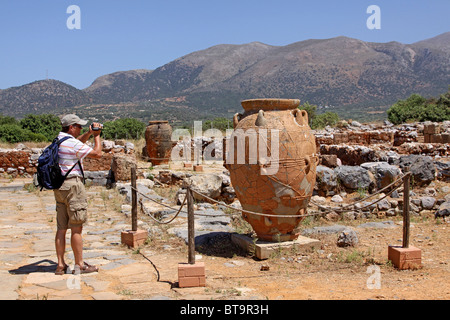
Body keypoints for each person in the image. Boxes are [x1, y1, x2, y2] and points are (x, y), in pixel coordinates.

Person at [53, 114, 103, 275]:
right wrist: (96, 137)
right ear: (71, 127)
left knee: (61, 228)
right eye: (79, 127)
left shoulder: (59, 140)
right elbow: (97, 154)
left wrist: (87, 134)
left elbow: (78, 143)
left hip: (59, 186)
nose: (81, 128)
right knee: (76, 228)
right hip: (73, 186)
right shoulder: (71, 142)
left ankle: (60, 264)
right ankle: (79, 265)